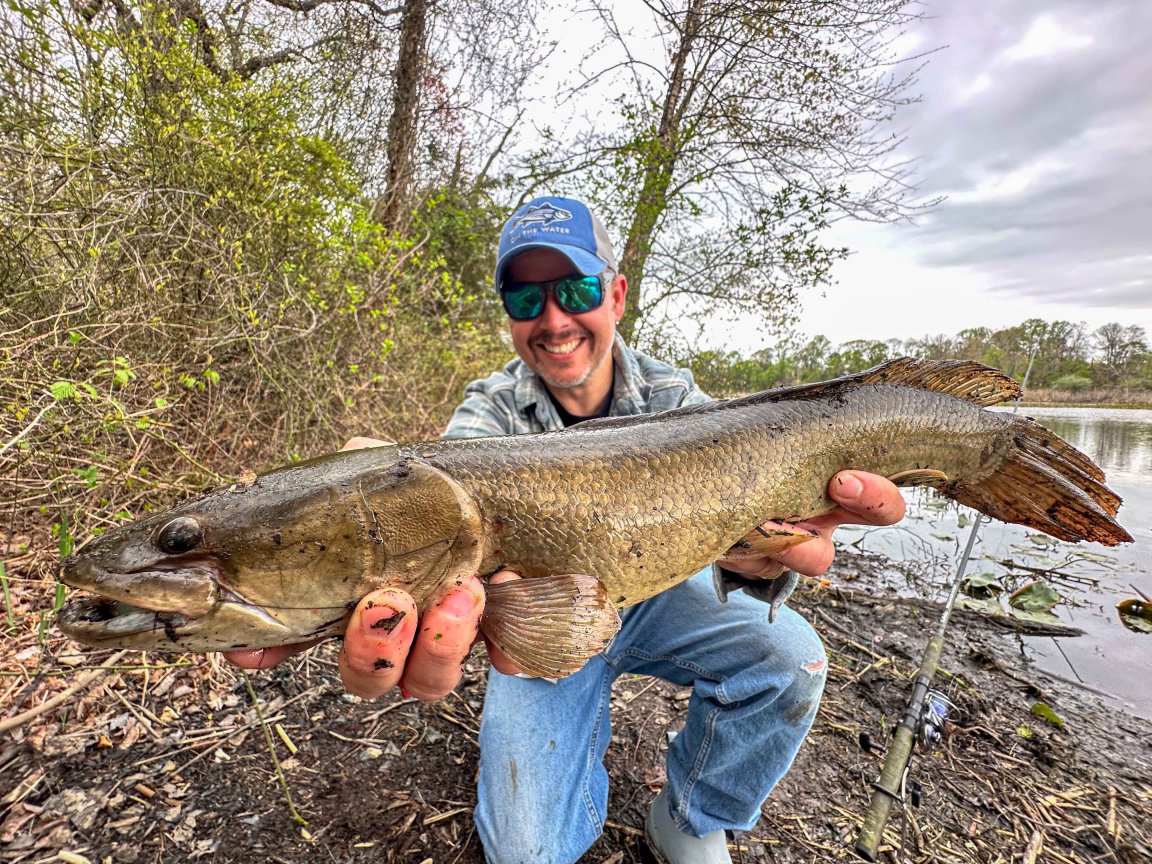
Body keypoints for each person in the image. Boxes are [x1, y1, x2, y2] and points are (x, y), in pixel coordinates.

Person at [225, 196, 906, 864]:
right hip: (533, 623)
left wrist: (761, 559)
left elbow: (750, 539)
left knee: (792, 658)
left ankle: (693, 816)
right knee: (527, 852)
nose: (551, 319)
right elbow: (428, 523)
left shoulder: (678, 401)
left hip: (657, 596)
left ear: (615, 295)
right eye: (525, 301)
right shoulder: (486, 414)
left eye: (574, 289)